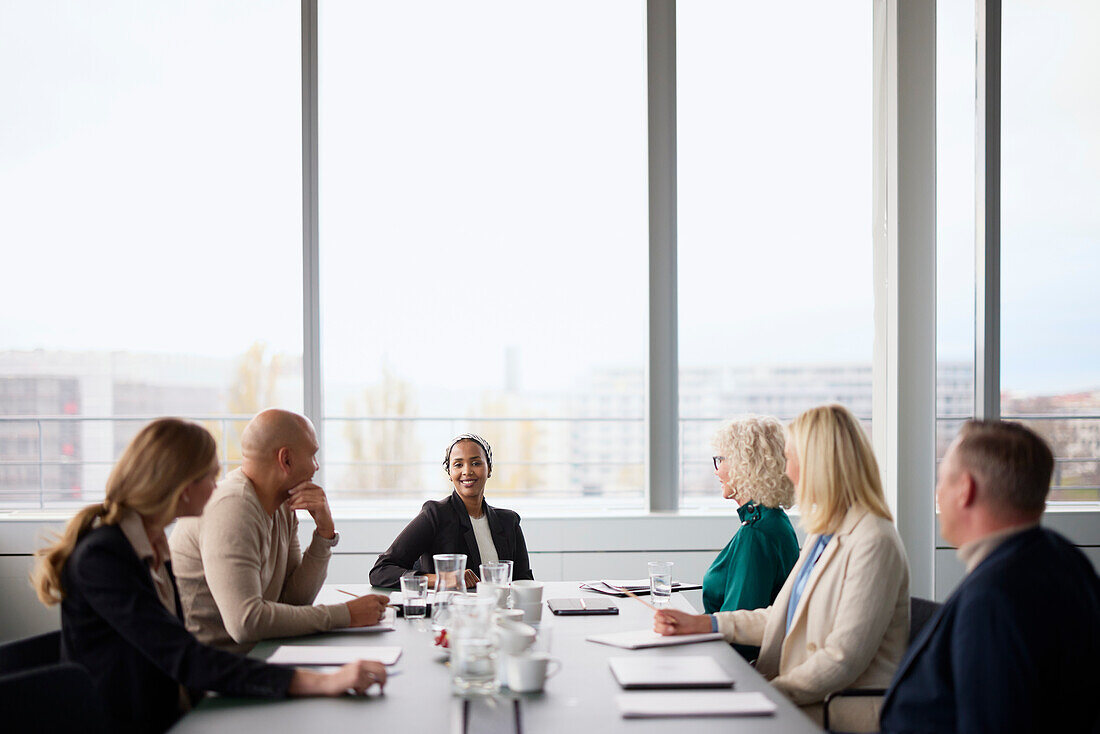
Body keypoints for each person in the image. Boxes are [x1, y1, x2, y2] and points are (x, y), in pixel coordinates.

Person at [31, 418, 387, 734]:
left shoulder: (151, 542)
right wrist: (321, 682)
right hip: (134, 721)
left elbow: (284, 604)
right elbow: (186, 657)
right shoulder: (104, 557)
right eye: (210, 476)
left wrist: (324, 533)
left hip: (177, 702)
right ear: (181, 486)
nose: (217, 487)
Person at [653, 404, 909, 731]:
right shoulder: (826, 531)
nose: (786, 472)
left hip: (838, 709)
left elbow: (840, 660)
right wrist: (707, 624)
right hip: (803, 694)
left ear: (819, 465)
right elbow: (782, 616)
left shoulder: (874, 541)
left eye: (791, 459)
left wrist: (764, 694)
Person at [880, 420, 1100, 734]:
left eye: (942, 481)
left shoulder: (993, 600)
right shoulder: (1064, 557)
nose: (937, 493)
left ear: (965, 490)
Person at [169, 409, 389, 653]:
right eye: (313, 455)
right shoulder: (234, 506)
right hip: (208, 674)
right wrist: (346, 614)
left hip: (253, 657)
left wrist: (324, 533)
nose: (316, 467)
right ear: (286, 460)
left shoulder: (283, 506)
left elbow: (294, 602)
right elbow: (246, 623)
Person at [370, 433, 533, 589]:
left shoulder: (509, 521)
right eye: (458, 464)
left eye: (476, 463)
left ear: (489, 469)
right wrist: (441, 578)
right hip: (449, 614)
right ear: (449, 472)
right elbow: (381, 571)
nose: (467, 471)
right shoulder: (434, 514)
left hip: (500, 614)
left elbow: (524, 583)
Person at [702, 416, 799, 660]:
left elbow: (738, 636)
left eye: (721, 460)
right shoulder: (774, 520)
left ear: (745, 465)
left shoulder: (756, 533)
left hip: (739, 671)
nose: (716, 470)